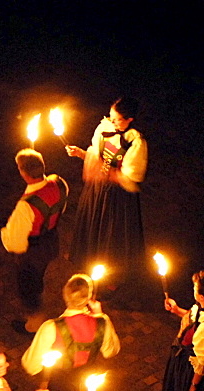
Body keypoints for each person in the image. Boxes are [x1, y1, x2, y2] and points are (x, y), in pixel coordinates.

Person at [22, 274, 120, 391]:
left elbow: (30, 364)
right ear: (89, 298)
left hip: (60, 386)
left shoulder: (51, 327)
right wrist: (100, 316)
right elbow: (111, 351)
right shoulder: (102, 322)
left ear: (65, 295)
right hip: (85, 384)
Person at [65, 98, 148, 287]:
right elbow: (97, 155)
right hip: (97, 190)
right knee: (92, 226)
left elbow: (130, 177)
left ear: (130, 120)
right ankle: (87, 262)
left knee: (111, 237)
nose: (112, 122)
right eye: (111, 117)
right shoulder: (104, 127)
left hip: (117, 197)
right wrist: (81, 153)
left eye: (117, 119)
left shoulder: (135, 142)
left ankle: (112, 279)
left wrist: (104, 172)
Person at [1, 149, 69, 334]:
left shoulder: (26, 205)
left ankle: (34, 326)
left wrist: (6, 234)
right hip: (51, 240)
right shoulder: (59, 183)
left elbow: (15, 242)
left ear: (23, 172)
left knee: (28, 287)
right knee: (38, 277)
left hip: (33, 250)